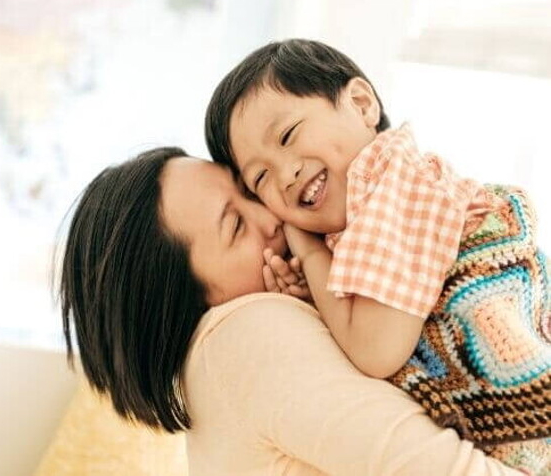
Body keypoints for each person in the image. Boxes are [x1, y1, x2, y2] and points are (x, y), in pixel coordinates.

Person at [57, 145, 522, 475]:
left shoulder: (221, 373)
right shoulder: (243, 336)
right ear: (180, 302)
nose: (272, 214)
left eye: (248, 189)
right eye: (237, 225)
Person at [205, 38, 551, 474]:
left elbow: (376, 349)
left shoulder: (392, 186)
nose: (286, 172)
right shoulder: (360, 222)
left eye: (288, 136)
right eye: (261, 177)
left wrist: (312, 257)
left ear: (362, 104)